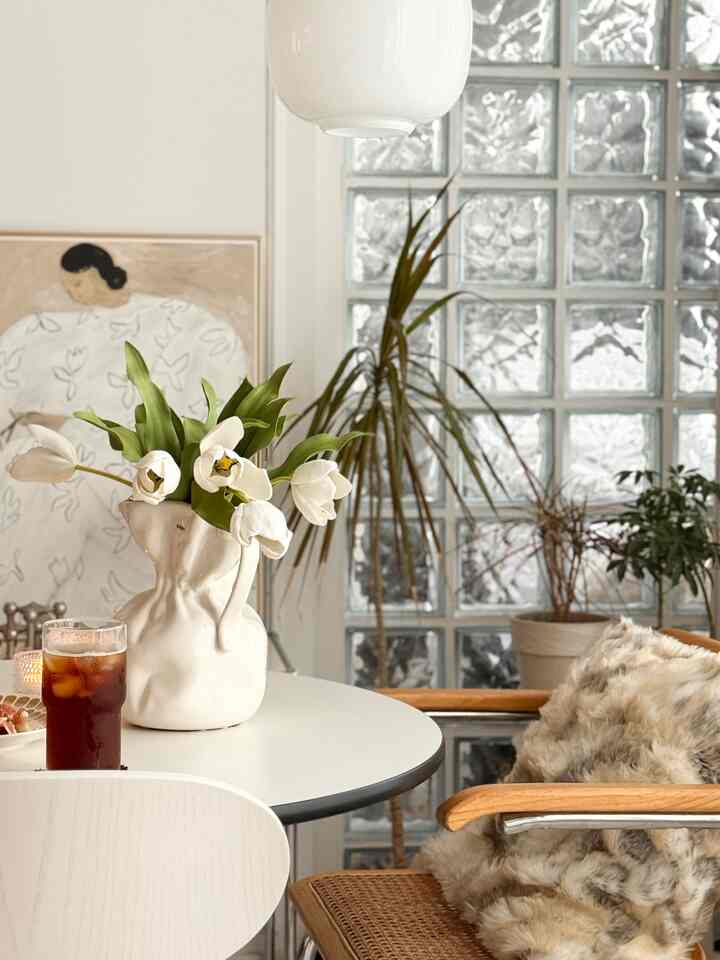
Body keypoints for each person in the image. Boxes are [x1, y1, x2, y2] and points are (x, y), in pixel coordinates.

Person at [0, 242, 249, 613]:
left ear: (98, 275)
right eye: (68, 286)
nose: (72, 292)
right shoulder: (51, 331)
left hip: (124, 444)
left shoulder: (169, 320)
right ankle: (21, 615)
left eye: (78, 284)